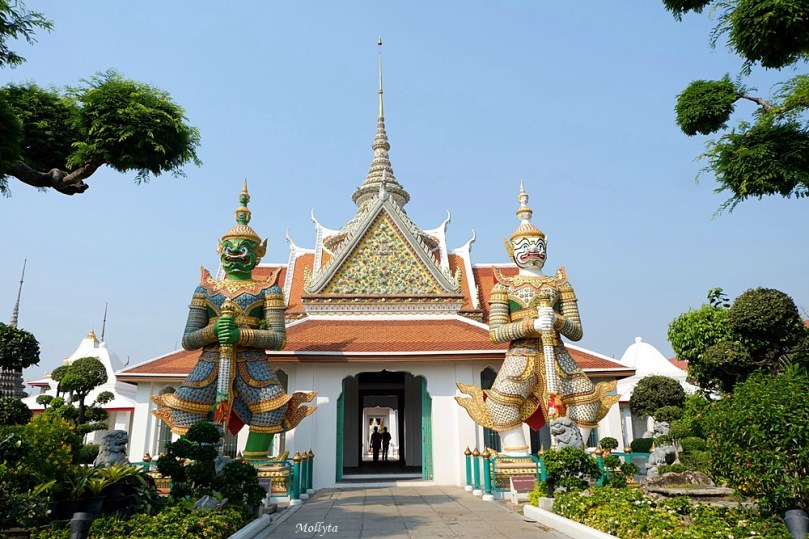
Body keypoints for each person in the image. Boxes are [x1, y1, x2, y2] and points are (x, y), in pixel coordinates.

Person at [152, 182, 316, 460]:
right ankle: (200, 462)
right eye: (230, 248)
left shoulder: (268, 290)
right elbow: (188, 339)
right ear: (220, 250)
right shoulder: (205, 290)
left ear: (258, 253)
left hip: (253, 364)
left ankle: (252, 463)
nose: (236, 253)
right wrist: (214, 330)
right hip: (211, 361)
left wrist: (242, 335)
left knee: (273, 407)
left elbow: (278, 338)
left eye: (244, 248)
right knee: (184, 408)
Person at [455, 184, 618, 455]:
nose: (533, 250)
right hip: (522, 354)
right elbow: (495, 333)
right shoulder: (504, 286)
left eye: (538, 245)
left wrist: (556, 321)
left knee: (586, 400)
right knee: (500, 403)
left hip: (556, 352)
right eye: (525, 245)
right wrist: (531, 325)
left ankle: (571, 453)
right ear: (511, 250)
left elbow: (577, 332)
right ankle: (517, 453)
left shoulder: (560, 284)